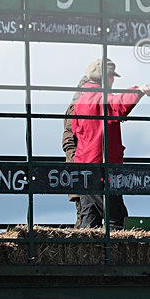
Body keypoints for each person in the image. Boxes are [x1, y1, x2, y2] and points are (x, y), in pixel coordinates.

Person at [72, 58, 150, 229]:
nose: (113, 80)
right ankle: (115, 254)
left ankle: (90, 252)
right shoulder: (98, 98)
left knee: (90, 216)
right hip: (100, 165)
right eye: (111, 76)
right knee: (116, 217)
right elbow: (116, 105)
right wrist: (136, 91)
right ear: (103, 77)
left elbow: (75, 129)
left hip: (84, 164)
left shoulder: (81, 99)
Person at [62, 77, 87, 228]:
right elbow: (69, 141)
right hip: (81, 168)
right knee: (84, 214)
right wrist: (77, 162)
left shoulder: (78, 105)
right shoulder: (77, 108)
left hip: (82, 166)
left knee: (86, 215)